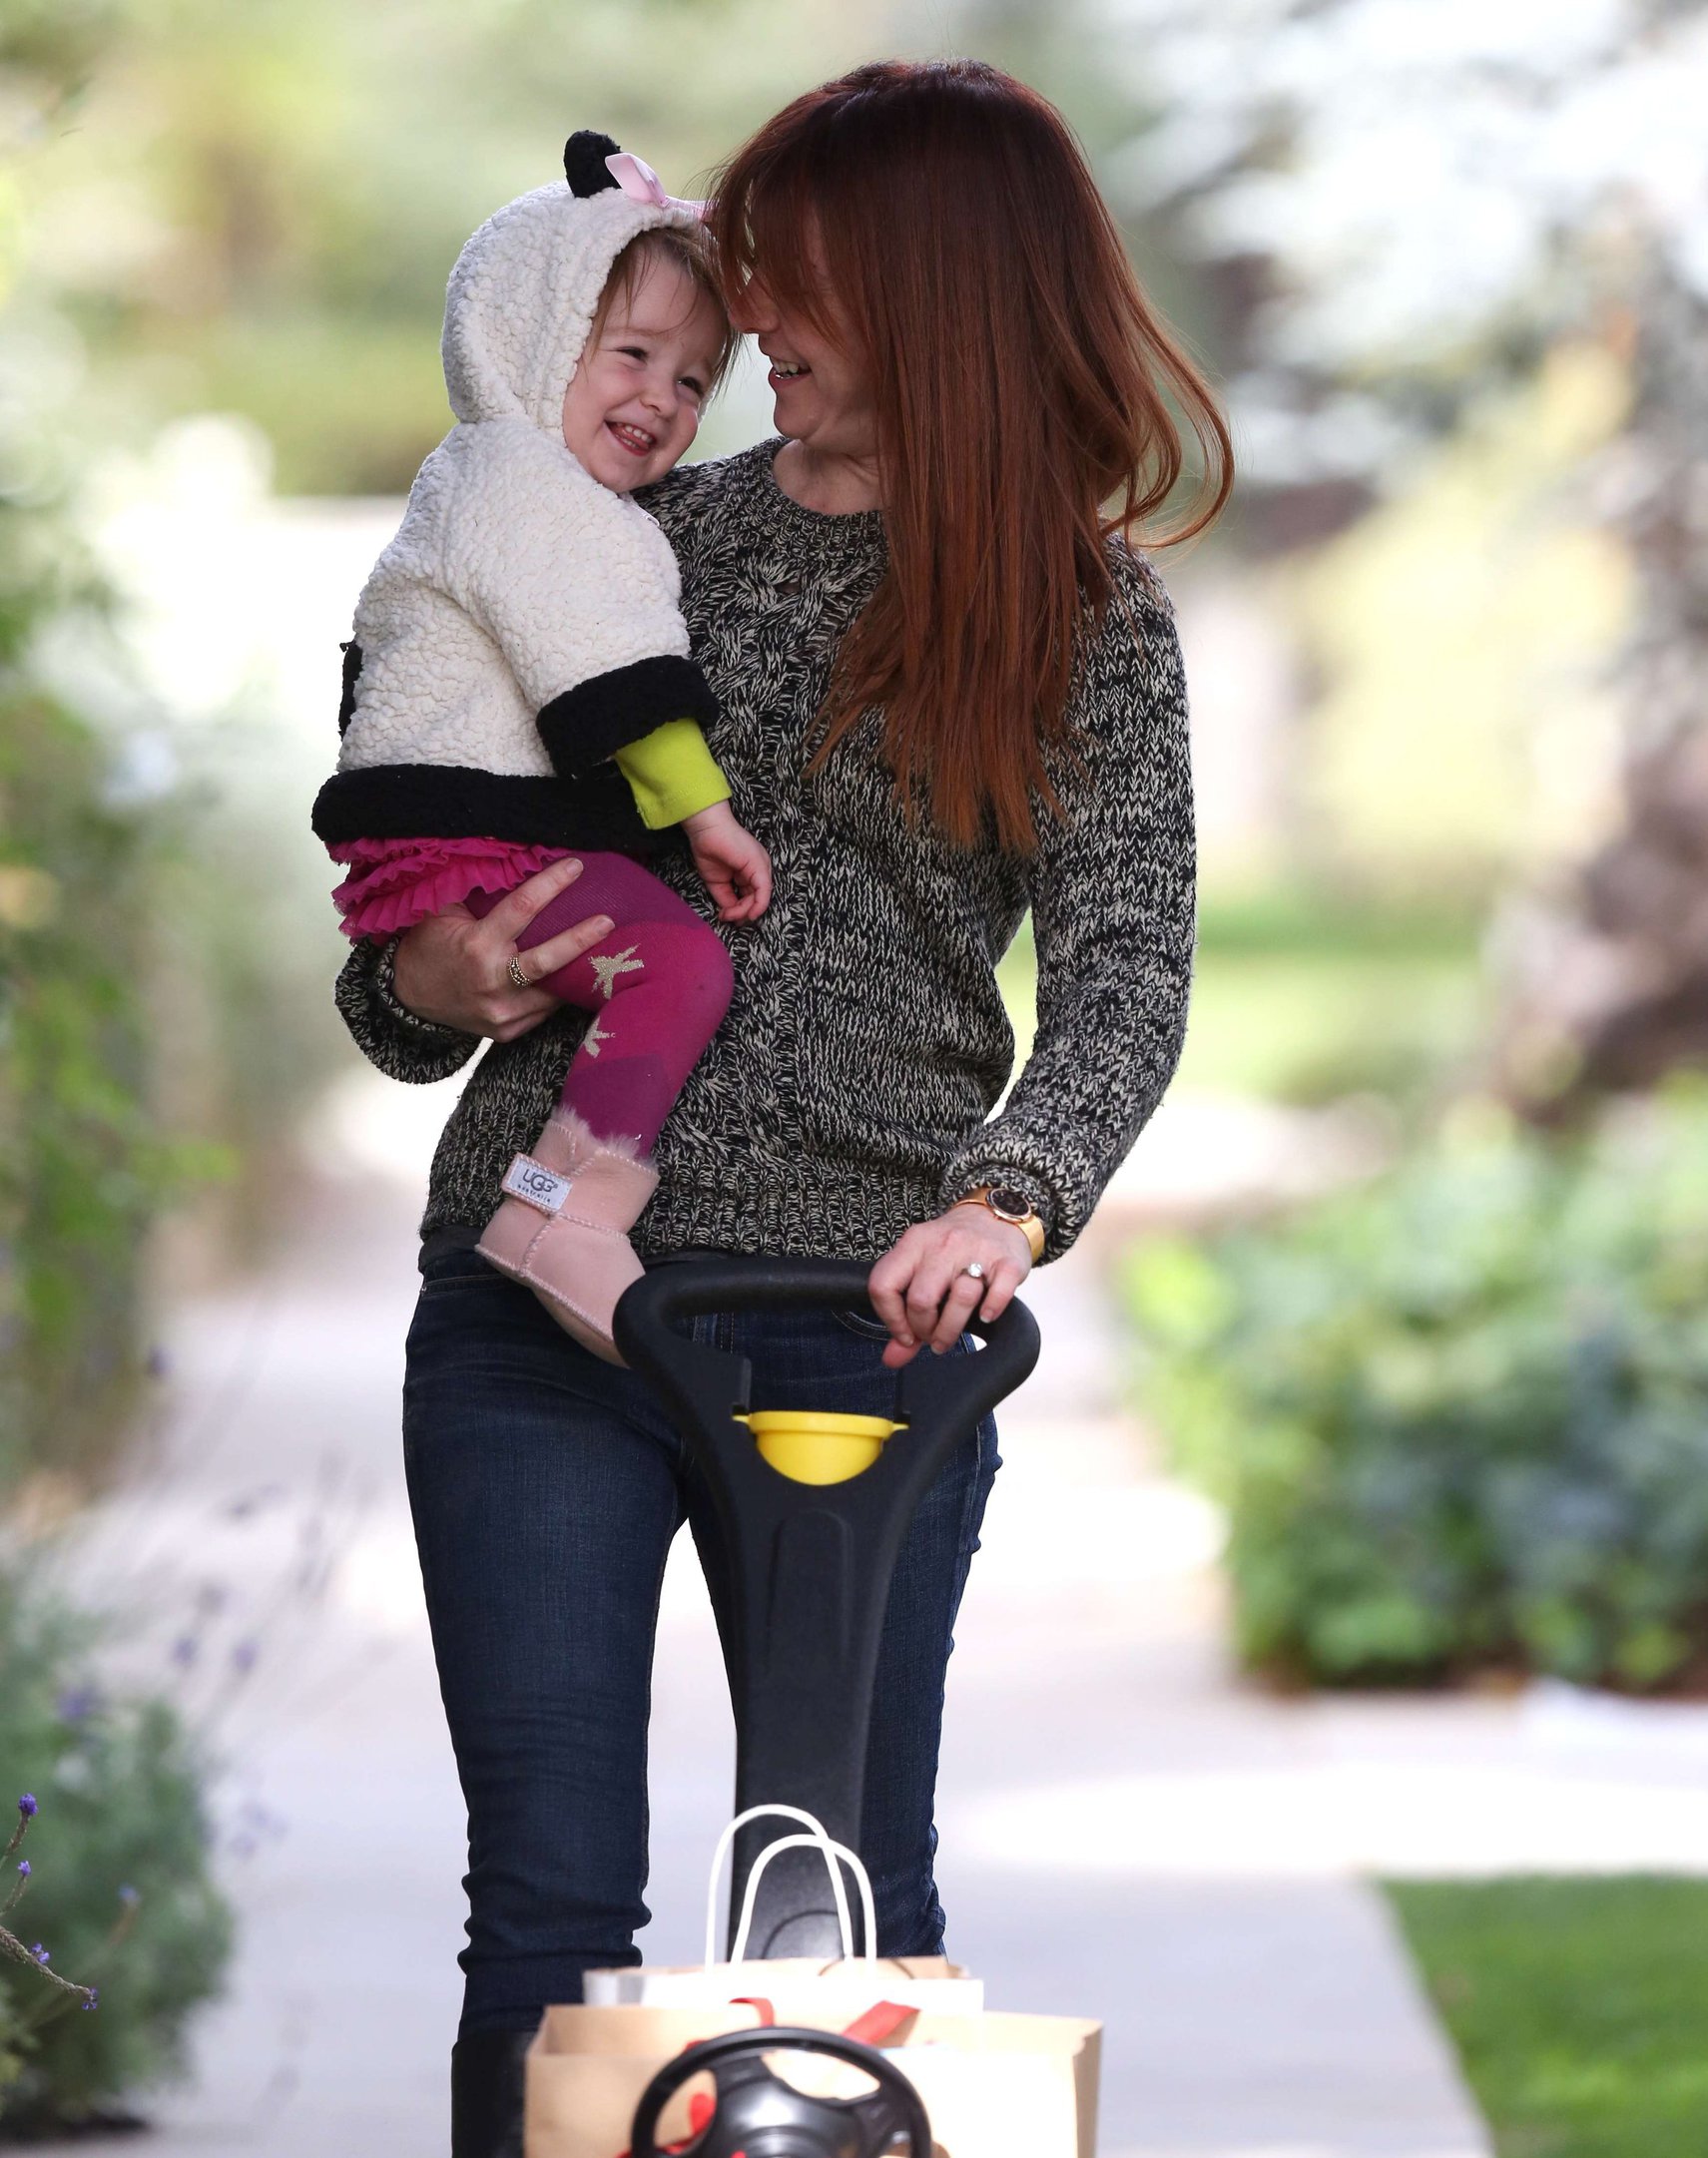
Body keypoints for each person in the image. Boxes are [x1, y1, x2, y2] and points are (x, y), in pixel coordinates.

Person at [329, 58, 1231, 2157]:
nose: (748, 313)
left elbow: (1124, 971)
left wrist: (1008, 1202)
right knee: (543, 1917)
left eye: (793, 271)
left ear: (921, 291)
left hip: (859, 1336)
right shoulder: (620, 536)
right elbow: (419, 883)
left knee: (845, 1913)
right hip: (539, 1320)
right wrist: (419, 986)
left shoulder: (1082, 619)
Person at [312, 132, 770, 1360]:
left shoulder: (492, 486)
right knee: (675, 967)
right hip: (479, 833)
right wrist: (705, 815)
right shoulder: (525, 488)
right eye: (628, 354)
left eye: (690, 380)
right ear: (527, 335)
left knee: (660, 965)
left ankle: (563, 1208)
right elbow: (608, 671)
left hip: (447, 831)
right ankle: (565, 1209)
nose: (659, 403)